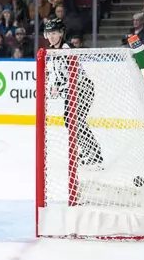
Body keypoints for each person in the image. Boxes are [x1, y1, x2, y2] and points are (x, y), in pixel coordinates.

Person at [44, 18, 103, 167]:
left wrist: (60, 87)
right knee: (70, 120)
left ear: (61, 33)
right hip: (72, 89)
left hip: (81, 87)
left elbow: (73, 75)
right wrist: (56, 85)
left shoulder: (65, 49)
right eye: (49, 33)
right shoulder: (55, 50)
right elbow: (60, 74)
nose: (51, 36)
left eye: (55, 33)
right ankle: (90, 150)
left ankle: (94, 153)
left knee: (74, 120)